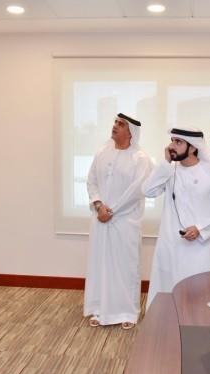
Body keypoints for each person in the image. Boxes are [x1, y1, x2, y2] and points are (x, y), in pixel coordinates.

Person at [143, 127, 210, 306]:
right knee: (167, 294)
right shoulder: (169, 171)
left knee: (196, 298)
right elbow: (148, 191)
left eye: (178, 142)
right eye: (172, 141)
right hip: (170, 246)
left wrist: (201, 229)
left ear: (192, 147)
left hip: (198, 248)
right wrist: (165, 163)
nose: (172, 146)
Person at [84, 113, 153, 330]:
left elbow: (136, 191)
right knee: (101, 265)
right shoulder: (102, 152)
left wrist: (111, 211)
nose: (115, 126)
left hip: (125, 222)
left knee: (125, 267)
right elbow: (91, 181)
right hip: (101, 219)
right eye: (115, 122)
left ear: (131, 132)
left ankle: (127, 312)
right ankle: (99, 309)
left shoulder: (141, 158)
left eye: (121, 124)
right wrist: (99, 206)